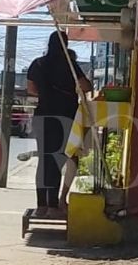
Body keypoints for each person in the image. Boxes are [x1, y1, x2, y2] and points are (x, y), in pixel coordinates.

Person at [26, 31, 93, 219]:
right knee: (58, 159)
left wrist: (47, 95)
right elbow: (86, 86)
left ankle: (41, 205)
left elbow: (31, 89)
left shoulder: (37, 64)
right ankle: (53, 205)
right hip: (65, 116)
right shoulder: (70, 64)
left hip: (43, 116)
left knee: (44, 160)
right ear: (66, 43)